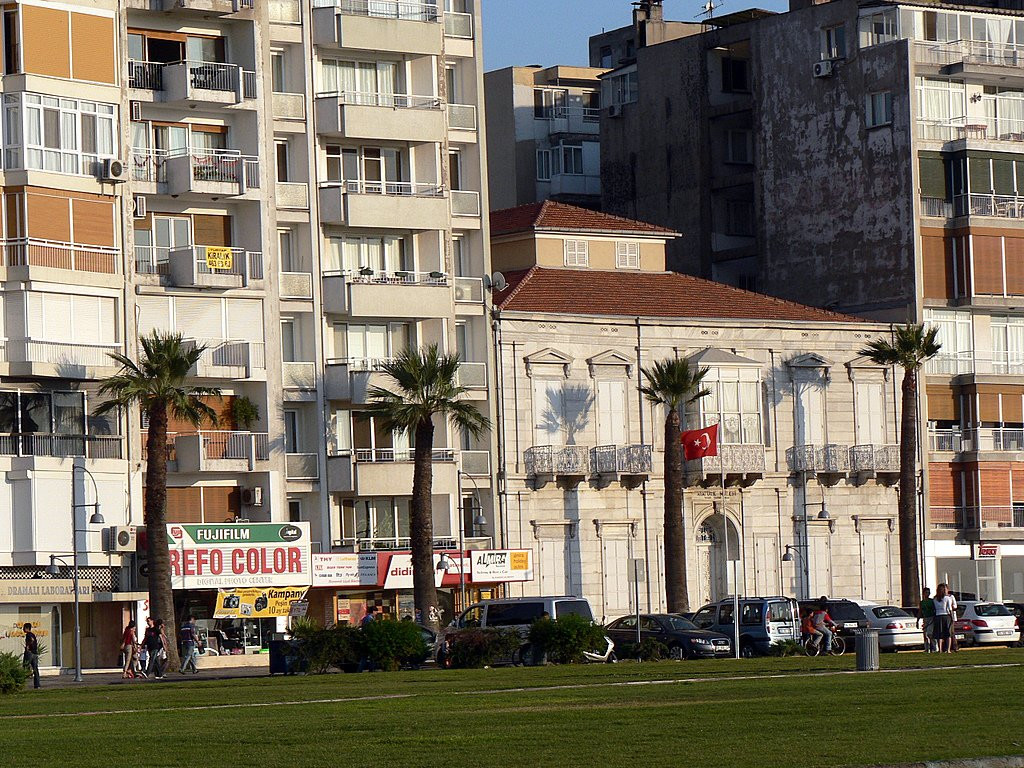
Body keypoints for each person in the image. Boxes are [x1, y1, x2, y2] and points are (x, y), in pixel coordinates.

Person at [933, 583, 956, 653]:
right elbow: (949, 608)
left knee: (940, 634)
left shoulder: (935, 599)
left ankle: (940, 650)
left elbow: (934, 608)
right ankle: (948, 649)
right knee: (948, 634)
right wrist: (952, 617)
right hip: (946, 616)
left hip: (938, 616)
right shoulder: (947, 598)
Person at [22, 622, 40, 689]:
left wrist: (28, 647)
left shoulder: (28, 634)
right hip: (35, 653)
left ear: (27, 628)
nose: (23, 630)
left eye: (24, 628)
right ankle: (37, 685)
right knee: (35, 669)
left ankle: (21, 683)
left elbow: (31, 640)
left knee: (25, 667)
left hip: (30, 653)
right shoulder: (33, 634)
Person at [920, 588, 937, 653]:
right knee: (925, 634)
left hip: (931, 618)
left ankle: (935, 648)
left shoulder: (931, 601)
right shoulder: (922, 602)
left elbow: (934, 610)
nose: (927, 594)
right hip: (925, 618)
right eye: (926, 592)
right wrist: (918, 620)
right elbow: (920, 611)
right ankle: (926, 648)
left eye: (928, 592)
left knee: (930, 633)